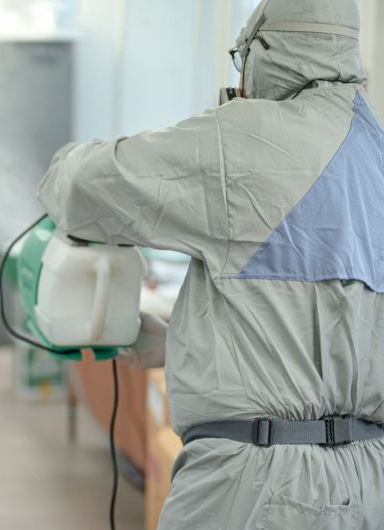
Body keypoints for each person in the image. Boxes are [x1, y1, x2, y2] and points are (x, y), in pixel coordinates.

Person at [38, 0, 384, 527]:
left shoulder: (246, 139)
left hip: (258, 484)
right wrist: (181, 341)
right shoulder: (374, 154)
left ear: (263, 51)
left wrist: (62, 163)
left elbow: (84, 188)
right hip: (370, 481)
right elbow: (327, 318)